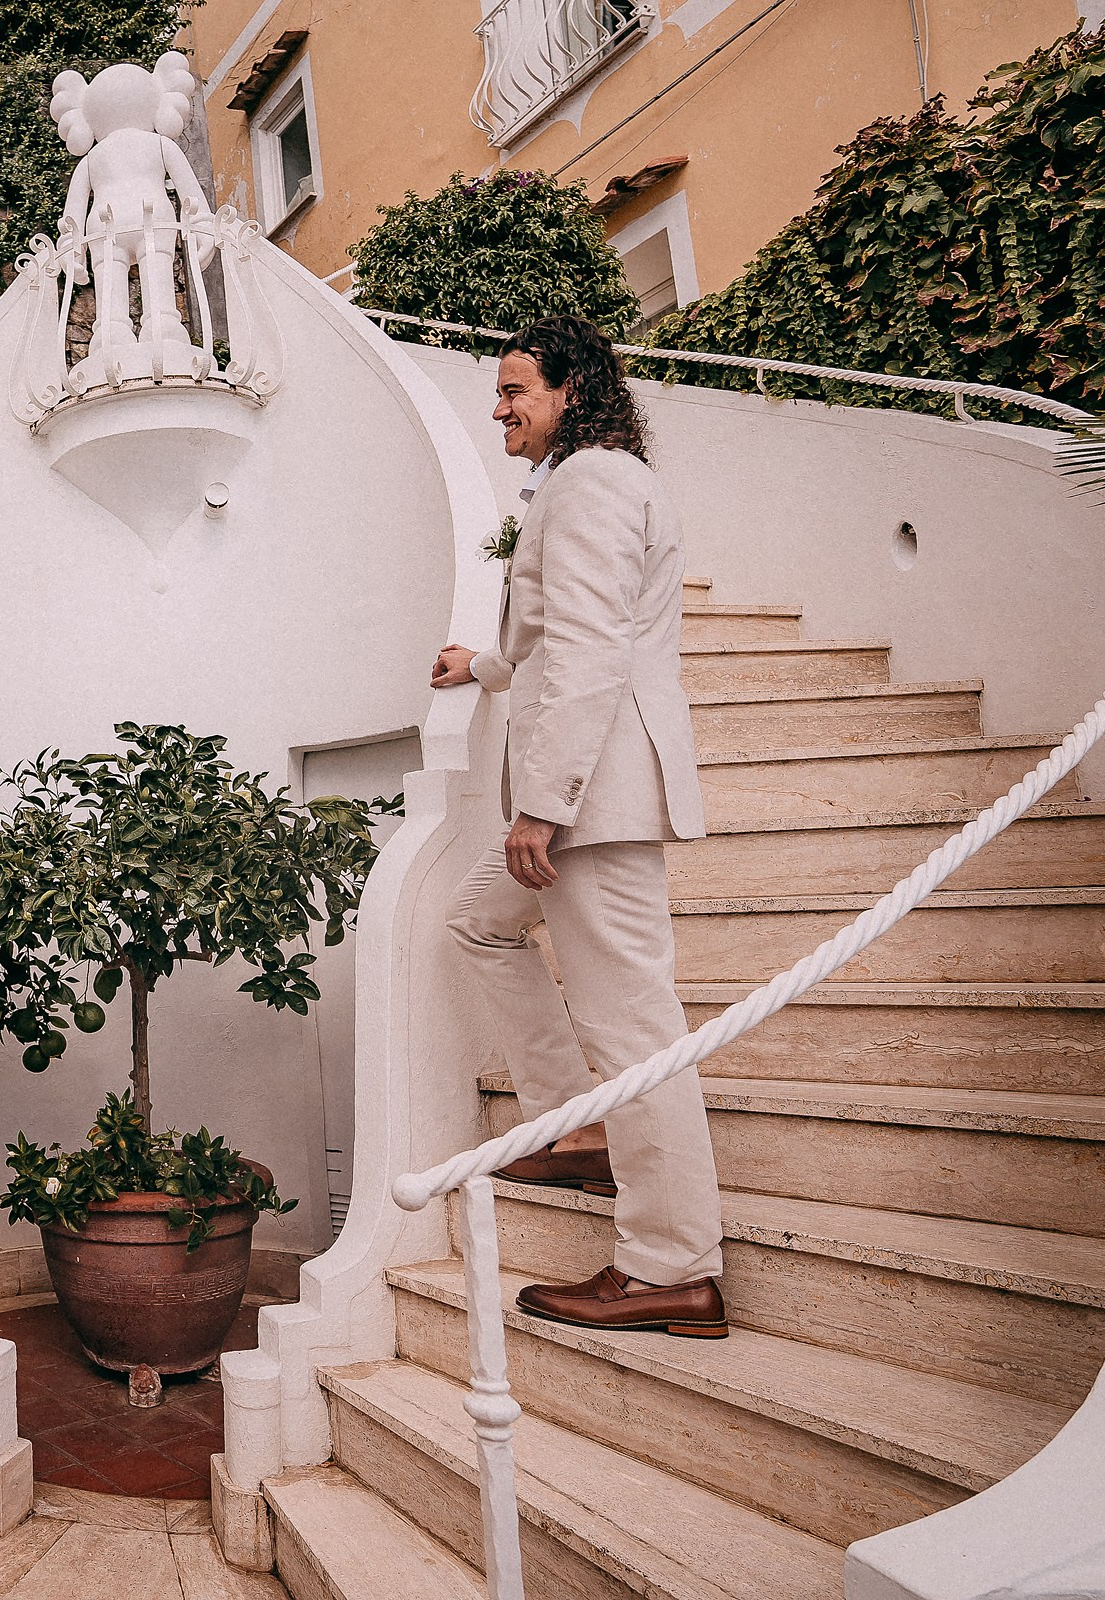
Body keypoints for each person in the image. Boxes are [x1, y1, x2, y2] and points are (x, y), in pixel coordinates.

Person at [430, 317, 728, 1338]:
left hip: (594, 797)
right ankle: (576, 1124)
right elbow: (556, 632)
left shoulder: (594, 481)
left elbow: (594, 650)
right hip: (585, 793)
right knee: (477, 923)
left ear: (572, 391)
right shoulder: (576, 481)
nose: (500, 409)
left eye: (516, 390)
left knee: (636, 1029)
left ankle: (670, 1266)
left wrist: (542, 804)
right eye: (500, 390)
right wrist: (482, 665)